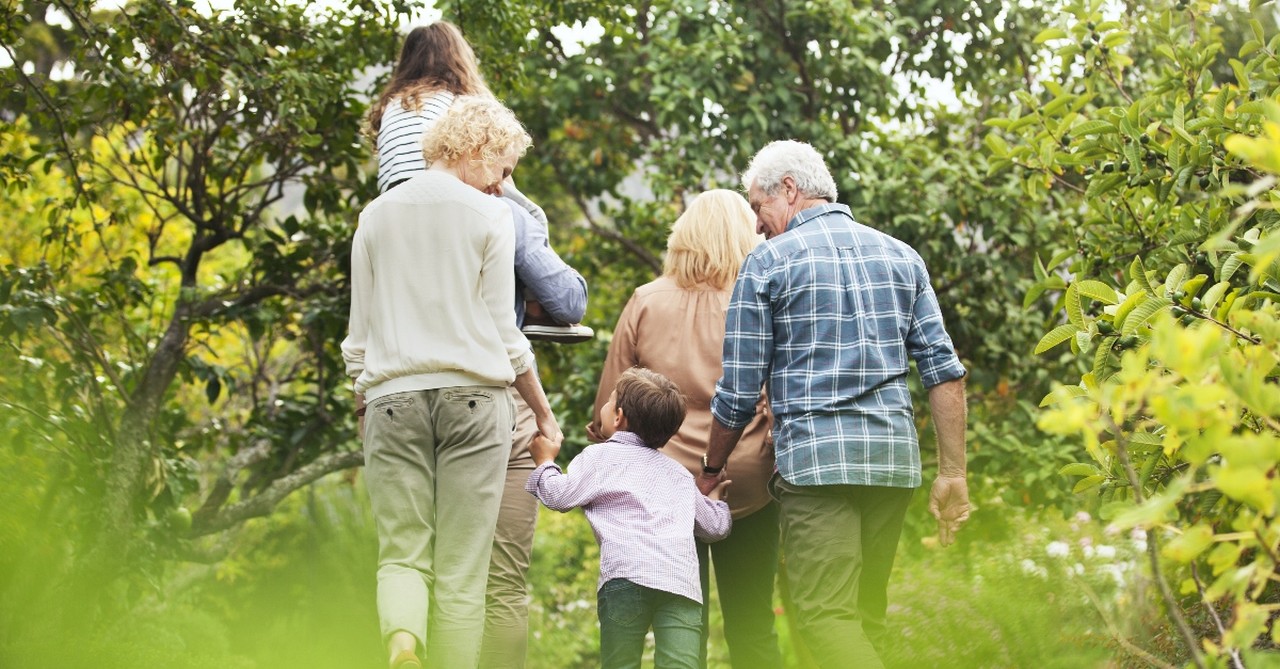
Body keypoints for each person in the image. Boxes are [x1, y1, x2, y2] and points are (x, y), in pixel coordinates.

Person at [366, 22, 589, 669]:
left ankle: (404, 642)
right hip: (486, 400)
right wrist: (544, 411)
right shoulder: (499, 210)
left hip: (399, 388)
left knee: (407, 555)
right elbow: (555, 306)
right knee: (493, 580)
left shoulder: (390, 197)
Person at [697, 140, 970, 668]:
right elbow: (944, 373)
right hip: (892, 466)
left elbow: (738, 390)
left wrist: (711, 466)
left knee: (825, 616)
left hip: (817, 468)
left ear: (790, 190)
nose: (755, 225)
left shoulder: (769, 264)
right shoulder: (901, 256)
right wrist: (952, 470)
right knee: (864, 618)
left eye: (757, 207)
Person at [589, 190, 783, 669]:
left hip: (663, 488)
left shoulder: (646, 301)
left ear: (683, 237)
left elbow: (607, 410)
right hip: (747, 481)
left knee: (679, 624)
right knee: (753, 622)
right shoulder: (760, 302)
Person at [366, 20, 593, 344]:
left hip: (397, 206)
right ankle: (534, 307)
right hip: (448, 189)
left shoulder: (390, 107)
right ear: (457, 59)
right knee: (528, 214)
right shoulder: (459, 103)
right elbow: (482, 162)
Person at [528, 368, 733, 669]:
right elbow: (715, 528)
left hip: (626, 577)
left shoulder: (599, 458)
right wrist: (713, 501)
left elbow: (559, 496)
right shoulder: (677, 473)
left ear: (618, 417)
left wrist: (545, 461)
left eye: (610, 401)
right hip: (679, 583)